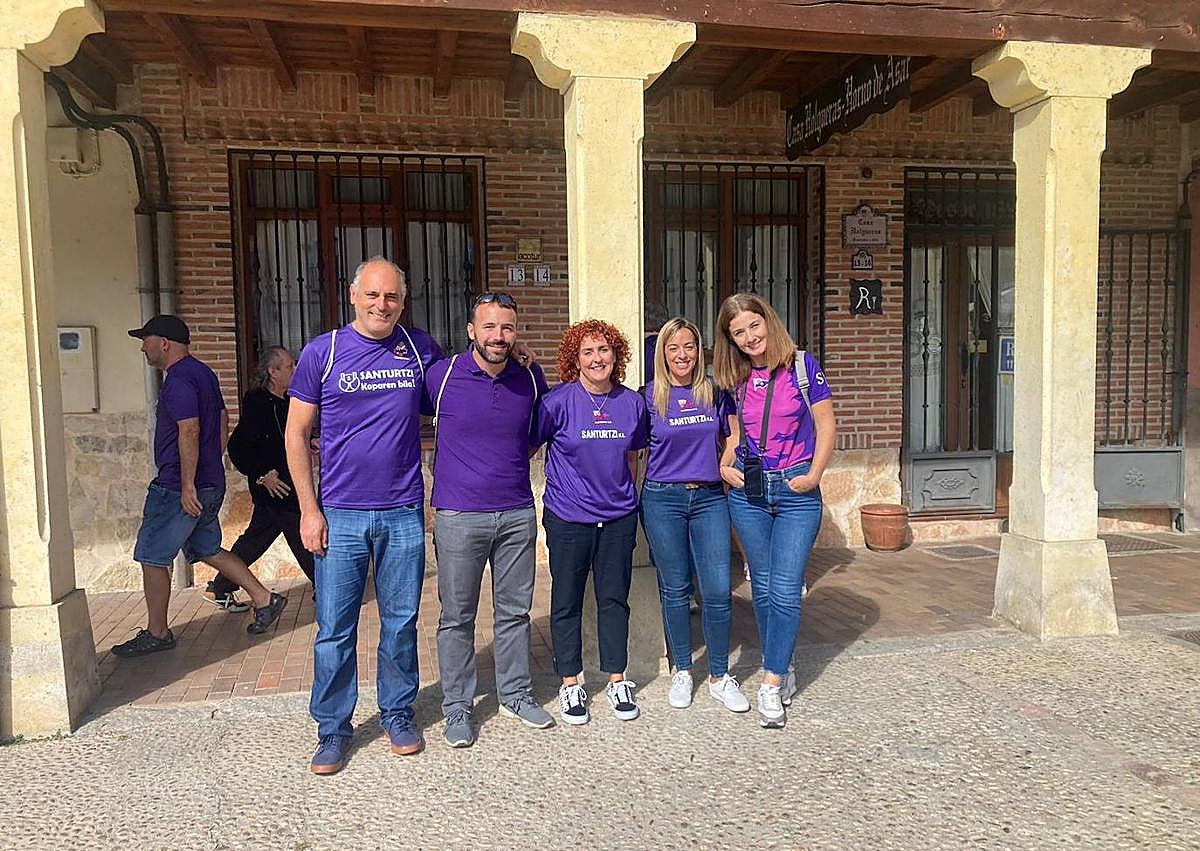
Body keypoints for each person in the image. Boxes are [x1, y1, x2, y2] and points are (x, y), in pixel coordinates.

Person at [286, 257, 441, 775]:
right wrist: (309, 510)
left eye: (392, 297)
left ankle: (397, 713)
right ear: (353, 296)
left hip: (401, 511)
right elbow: (295, 434)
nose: (382, 305)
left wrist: (519, 361)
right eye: (373, 295)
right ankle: (332, 729)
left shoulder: (419, 350)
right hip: (341, 514)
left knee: (400, 622)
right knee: (334, 628)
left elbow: (467, 381)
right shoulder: (323, 352)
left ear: (403, 299)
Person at [113, 315, 287, 659]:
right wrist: (211, 464)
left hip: (179, 487)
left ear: (164, 343)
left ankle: (158, 633)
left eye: (145, 341)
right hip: (209, 481)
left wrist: (187, 484)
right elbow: (222, 420)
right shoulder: (204, 373)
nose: (143, 348)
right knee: (208, 547)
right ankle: (265, 598)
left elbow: (189, 429)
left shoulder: (178, 381)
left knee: (151, 555)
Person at [428, 292, 554, 747]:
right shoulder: (440, 377)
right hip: (459, 516)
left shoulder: (529, 378)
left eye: (507, 328)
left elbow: (537, 433)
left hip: (517, 512)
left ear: (516, 333)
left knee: (514, 612)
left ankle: (516, 694)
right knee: (457, 617)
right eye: (489, 327)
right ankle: (458, 706)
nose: (498, 336)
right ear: (471, 331)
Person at [713, 293, 835, 729]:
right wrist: (724, 467)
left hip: (796, 487)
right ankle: (780, 663)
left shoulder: (802, 367)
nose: (749, 337)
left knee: (785, 588)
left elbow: (826, 425)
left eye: (753, 326)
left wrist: (815, 474)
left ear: (768, 320)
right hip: (748, 490)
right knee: (761, 588)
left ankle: (770, 682)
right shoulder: (733, 379)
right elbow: (733, 436)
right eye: (738, 332)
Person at [532, 319, 648, 726]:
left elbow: (634, 456)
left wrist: (627, 500)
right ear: (574, 359)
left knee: (614, 599)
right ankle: (570, 683)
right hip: (568, 518)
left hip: (617, 518)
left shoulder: (632, 403)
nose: (597, 358)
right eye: (588, 352)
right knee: (566, 600)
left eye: (604, 350)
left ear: (616, 356)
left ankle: (617, 678)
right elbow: (532, 445)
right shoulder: (557, 402)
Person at [640, 317, 748, 713]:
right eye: (673, 348)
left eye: (688, 346)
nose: (682, 355)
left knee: (718, 589)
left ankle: (720, 675)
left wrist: (725, 457)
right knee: (674, 589)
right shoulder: (649, 396)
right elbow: (635, 452)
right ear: (662, 354)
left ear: (698, 350)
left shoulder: (715, 392)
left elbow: (735, 435)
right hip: (662, 499)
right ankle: (683, 670)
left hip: (708, 499)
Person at [206, 346, 315, 613]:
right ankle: (327, 587)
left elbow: (287, 439)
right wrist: (263, 475)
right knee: (304, 533)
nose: (295, 369)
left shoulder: (289, 401)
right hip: (275, 489)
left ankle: (219, 587)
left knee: (256, 539)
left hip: (288, 482)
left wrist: (311, 442)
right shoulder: (257, 403)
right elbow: (239, 448)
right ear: (273, 372)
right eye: (289, 366)